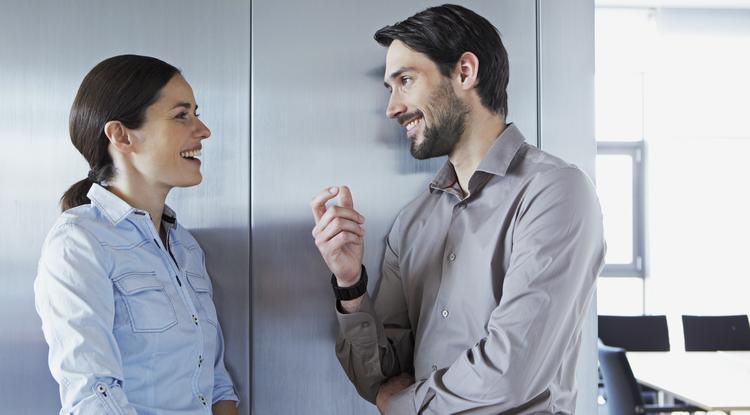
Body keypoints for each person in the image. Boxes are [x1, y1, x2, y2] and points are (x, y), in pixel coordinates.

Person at [310, 4, 605, 414]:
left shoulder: (555, 192)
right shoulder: (412, 223)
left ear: (465, 72)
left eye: (405, 81)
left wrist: (401, 407)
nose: (392, 108)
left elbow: (510, 372)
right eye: (389, 88)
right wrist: (349, 282)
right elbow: (378, 377)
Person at [34, 55, 239, 414]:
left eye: (196, 112)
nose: (203, 129)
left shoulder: (186, 247)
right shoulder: (79, 242)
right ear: (121, 135)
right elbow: (94, 395)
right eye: (182, 115)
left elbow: (215, 380)